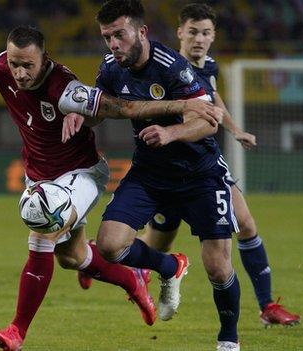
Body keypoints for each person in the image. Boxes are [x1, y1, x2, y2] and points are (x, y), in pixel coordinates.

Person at [0, 26, 218, 351]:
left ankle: (17, 331)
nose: (20, 73)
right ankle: (145, 276)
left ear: (44, 59)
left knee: (41, 226)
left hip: (82, 173)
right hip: (40, 176)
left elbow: (124, 108)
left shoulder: (65, 88)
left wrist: (182, 105)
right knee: (73, 257)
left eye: (28, 65)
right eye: (14, 64)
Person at [64, 1, 242, 349]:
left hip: (200, 175)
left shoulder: (173, 68)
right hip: (149, 174)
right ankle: (168, 265)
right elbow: (102, 109)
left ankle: (228, 340)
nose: (113, 44)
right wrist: (80, 116)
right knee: (111, 246)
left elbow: (208, 122)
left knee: (218, 268)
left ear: (141, 32)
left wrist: (170, 133)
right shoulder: (110, 68)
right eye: (107, 37)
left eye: (120, 35)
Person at [138, 3, 300, 328]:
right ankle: (101, 261)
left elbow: (215, 100)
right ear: (180, 32)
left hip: (205, 166)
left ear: (213, 36)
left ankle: (266, 305)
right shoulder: (168, 67)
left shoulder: (208, 65)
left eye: (206, 33)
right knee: (155, 244)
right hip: (169, 167)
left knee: (246, 225)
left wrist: (236, 130)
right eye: (193, 32)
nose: (199, 39)